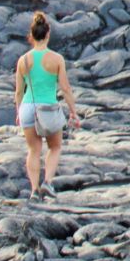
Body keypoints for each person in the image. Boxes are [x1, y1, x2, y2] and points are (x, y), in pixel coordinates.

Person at [15, 12, 81, 201]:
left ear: (31, 35)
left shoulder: (23, 60)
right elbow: (65, 88)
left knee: (33, 150)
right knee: (55, 147)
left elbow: (19, 91)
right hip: (49, 108)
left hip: (28, 107)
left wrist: (18, 111)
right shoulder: (56, 59)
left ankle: (34, 190)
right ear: (48, 33)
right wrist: (73, 112)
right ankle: (48, 182)